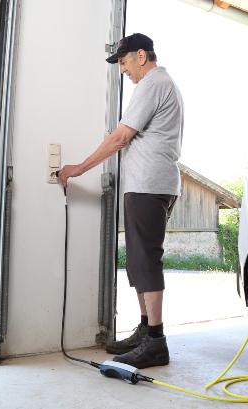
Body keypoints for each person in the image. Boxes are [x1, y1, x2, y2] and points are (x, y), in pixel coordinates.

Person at [58, 33, 183, 369]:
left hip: (149, 185)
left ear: (141, 56)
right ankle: (146, 330)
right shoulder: (160, 84)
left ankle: (155, 341)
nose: (123, 70)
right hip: (152, 183)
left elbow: (120, 137)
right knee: (138, 261)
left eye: (124, 62)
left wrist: (79, 168)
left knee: (146, 260)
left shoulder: (153, 83)